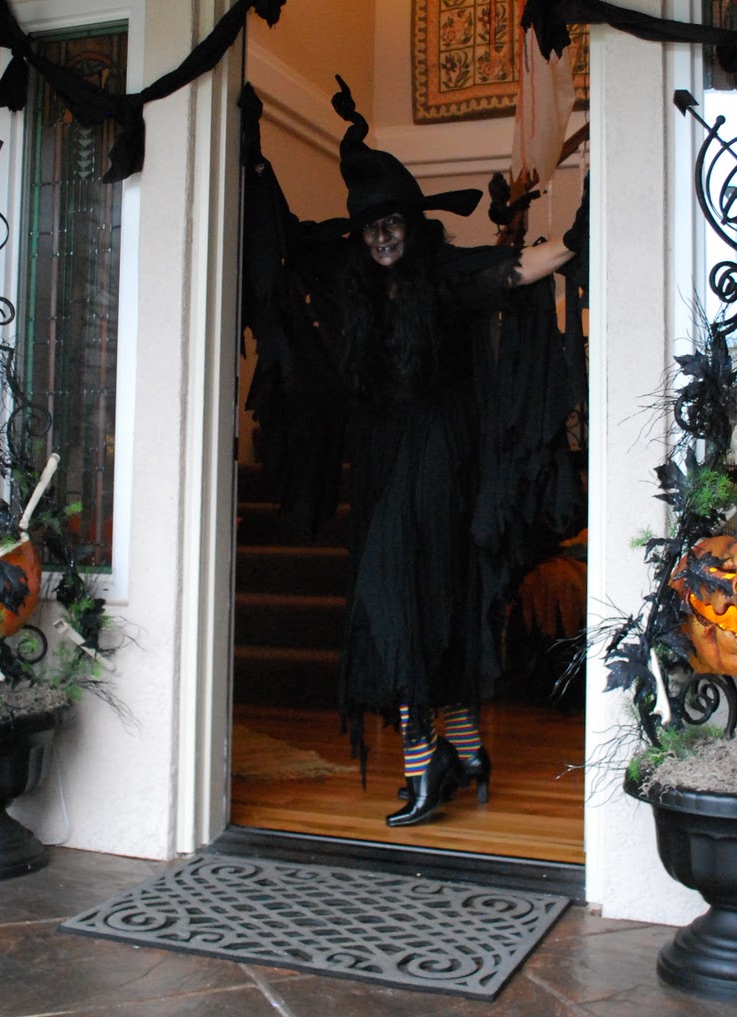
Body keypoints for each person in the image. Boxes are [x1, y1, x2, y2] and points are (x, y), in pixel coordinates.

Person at [240, 77, 587, 828]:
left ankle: (424, 767)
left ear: (412, 223)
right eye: (370, 229)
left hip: (440, 454)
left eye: (391, 223)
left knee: (395, 600)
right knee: (416, 598)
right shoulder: (354, 285)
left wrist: (579, 236)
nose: (382, 238)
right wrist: (256, 162)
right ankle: (464, 747)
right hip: (381, 457)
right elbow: (286, 242)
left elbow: (512, 269)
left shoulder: (444, 274)